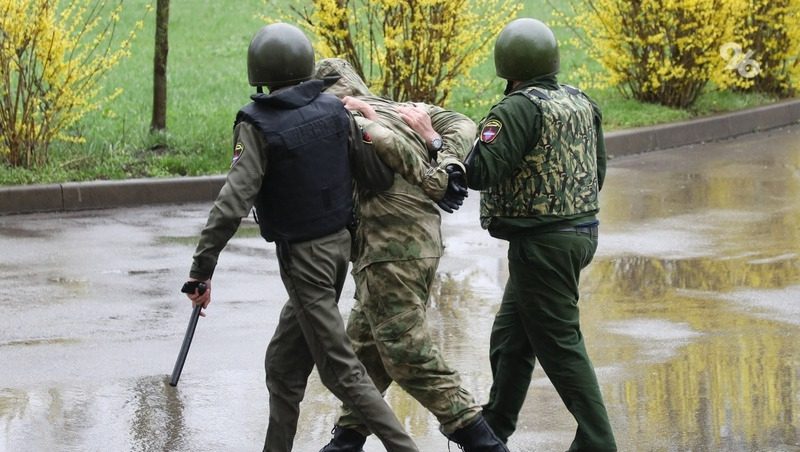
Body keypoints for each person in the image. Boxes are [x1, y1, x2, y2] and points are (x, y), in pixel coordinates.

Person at [182, 24, 418, 452]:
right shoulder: (333, 109)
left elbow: (232, 203)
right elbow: (378, 177)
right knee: (284, 366)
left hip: (304, 260)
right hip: (338, 249)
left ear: (259, 72)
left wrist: (201, 272)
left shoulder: (258, 126)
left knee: (340, 371)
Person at [313, 58, 509, 452]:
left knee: (407, 354)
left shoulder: (344, 117)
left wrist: (434, 174)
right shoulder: (400, 108)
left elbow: (379, 140)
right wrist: (447, 156)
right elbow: (463, 124)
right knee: (365, 350)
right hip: (416, 247)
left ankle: (483, 442)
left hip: (389, 253)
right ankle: (346, 442)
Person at [463, 18, 618, 451]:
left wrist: (443, 146)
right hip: (579, 234)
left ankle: (597, 442)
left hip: (541, 246)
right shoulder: (580, 102)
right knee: (511, 337)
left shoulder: (516, 109)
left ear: (506, 65)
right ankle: (493, 429)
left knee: (560, 346)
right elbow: (597, 172)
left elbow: (480, 171)